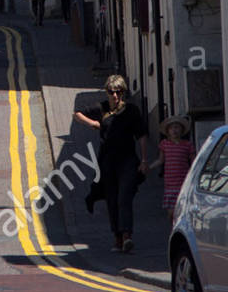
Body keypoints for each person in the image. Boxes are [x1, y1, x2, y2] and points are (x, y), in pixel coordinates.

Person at [76, 75, 149, 253]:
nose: (115, 96)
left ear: (123, 92)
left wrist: (145, 159)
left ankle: (127, 236)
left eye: (118, 92)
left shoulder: (131, 110)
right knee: (112, 200)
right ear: (107, 92)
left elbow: (141, 135)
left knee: (124, 197)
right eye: (111, 92)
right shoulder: (101, 108)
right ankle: (117, 237)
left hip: (128, 160)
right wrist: (92, 123)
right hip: (107, 162)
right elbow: (77, 113)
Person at [152, 115, 195, 225]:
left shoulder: (187, 145)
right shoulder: (164, 144)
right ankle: (173, 229)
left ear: (182, 130)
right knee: (171, 212)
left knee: (183, 210)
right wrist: (149, 166)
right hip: (170, 183)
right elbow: (161, 160)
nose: (174, 130)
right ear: (168, 131)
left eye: (177, 127)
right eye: (172, 128)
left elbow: (193, 161)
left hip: (183, 182)